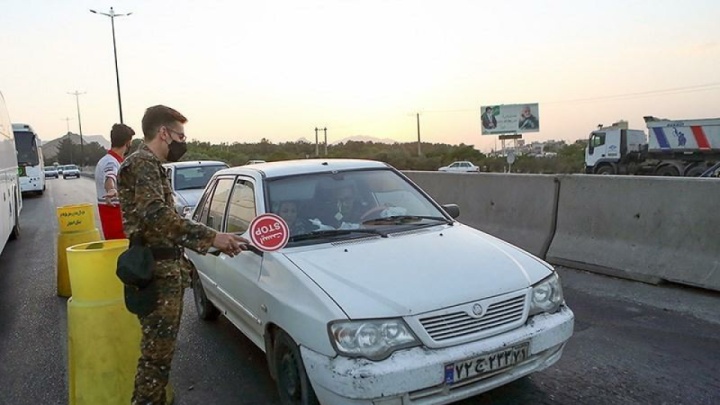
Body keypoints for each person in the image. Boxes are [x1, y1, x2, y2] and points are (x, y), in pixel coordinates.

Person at [117, 105, 249, 405]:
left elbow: (165, 217)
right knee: (155, 359)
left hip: (164, 267)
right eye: (180, 135)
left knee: (159, 357)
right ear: (164, 133)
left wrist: (211, 240)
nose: (182, 142)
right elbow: (156, 216)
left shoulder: (148, 165)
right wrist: (212, 236)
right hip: (156, 271)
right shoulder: (143, 164)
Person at [94, 123, 135, 240]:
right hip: (117, 222)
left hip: (113, 222)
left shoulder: (108, 160)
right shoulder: (111, 162)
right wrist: (111, 189)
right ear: (127, 142)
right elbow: (110, 176)